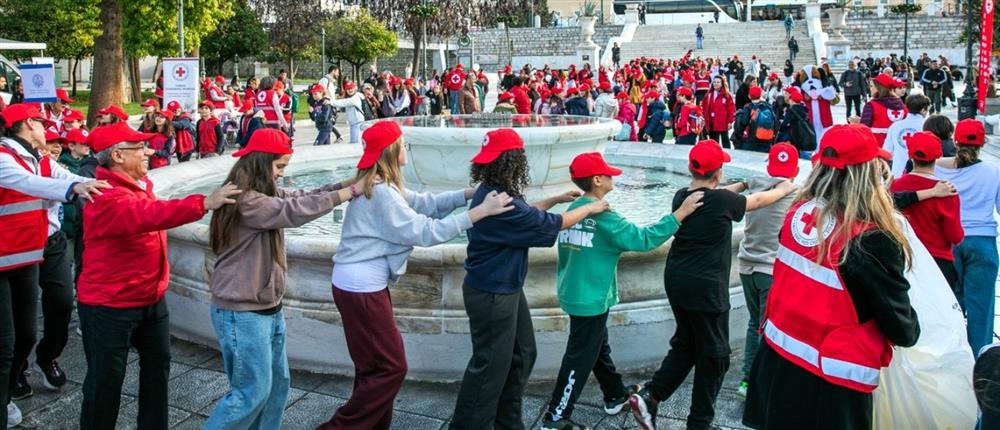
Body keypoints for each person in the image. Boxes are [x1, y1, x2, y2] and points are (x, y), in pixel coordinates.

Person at [316, 122, 514, 430]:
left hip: (359, 284)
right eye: (403, 143)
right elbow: (425, 232)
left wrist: (468, 194)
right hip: (361, 287)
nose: (406, 148)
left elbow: (425, 204)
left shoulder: (382, 183)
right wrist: (479, 212)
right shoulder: (381, 192)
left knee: (373, 369)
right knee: (392, 369)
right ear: (392, 150)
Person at [743, 124, 920, 430]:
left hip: (777, 362)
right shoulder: (872, 240)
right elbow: (904, 330)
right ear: (868, 173)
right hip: (831, 385)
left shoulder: (798, 212)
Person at [76, 122, 241, 430]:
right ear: (118, 156)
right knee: (105, 385)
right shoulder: (105, 196)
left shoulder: (141, 185)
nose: (148, 152)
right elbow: (149, 215)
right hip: (109, 306)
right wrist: (203, 203)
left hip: (150, 299)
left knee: (157, 374)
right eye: (140, 148)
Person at [450, 128, 612, 429]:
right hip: (492, 295)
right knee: (489, 370)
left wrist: (554, 198)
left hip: (503, 289)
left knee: (522, 354)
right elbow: (554, 224)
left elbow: (525, 213)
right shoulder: (496, 198)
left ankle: (508, 424)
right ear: (514, 161)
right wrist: (593, 206)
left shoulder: (494, 192)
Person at [630, 139, 796, 430]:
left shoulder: (683, 196)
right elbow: (757, 202)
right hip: (705, 287)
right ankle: (699, 423)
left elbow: (719, 196)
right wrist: (784, 188)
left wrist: (744, 184)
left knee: (688, 344)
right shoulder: (722, 202)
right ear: (718, 172)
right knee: (715, 356)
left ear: (690, 168)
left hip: (677, 280)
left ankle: (651, 396)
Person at [205, 129, 361, 429]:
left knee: (276, 388)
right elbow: (294, 210)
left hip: (266, 309)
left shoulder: (264, 193)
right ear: (261, 163)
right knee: (250, 394)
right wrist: (351, 192)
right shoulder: (246, 199)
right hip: (242, 314)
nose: (280, 175)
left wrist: (347, 182)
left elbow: (303, 195)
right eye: (278, 167)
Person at [542, 153, 705, 430]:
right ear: (596, 180)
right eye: (607, 174)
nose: (611, 176)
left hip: (576, 292)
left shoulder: (572, 212)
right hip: (591, 298)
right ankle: (555, 417)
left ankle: (614, 394)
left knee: (596, 346)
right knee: (579, 357)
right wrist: (680, 214)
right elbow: (644, 239)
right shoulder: (605, 217)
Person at [0, 105, 110, 428]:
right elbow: (29, 183)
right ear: (28, 124)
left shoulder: (41, 158)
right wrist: (72, 189)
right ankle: (5, 396)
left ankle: (36, 365)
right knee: (6, 343)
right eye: (42, 124)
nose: (48, 130)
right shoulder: (5, 158)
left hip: (29, 253)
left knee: (30, 331)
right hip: (9, 256)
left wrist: (109, 187)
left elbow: (67, 176)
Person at [735, 143, 800, 399]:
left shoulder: (754, 183)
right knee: (771, 328)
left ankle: (746, 381)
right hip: (770, 269)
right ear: (795, 168)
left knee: (754, 324)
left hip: (745, 265)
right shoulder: (796, 192)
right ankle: (764, 383)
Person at [935, 119, 1000, 355]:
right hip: (982, 242)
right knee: (981, 306)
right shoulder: (994, 171)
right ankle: (980, 358)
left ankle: (952, 355)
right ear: (983, 143)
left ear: (955, 140)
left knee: (949, 303)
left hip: (948, 241)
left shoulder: (937, 168)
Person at [889, 131, 963, 295]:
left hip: (903, 260)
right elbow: (955, 236)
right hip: (937, 261)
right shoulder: (946, 191)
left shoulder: (894, 186)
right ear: (938, 156)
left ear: (910, 155)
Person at [59, 129, 98, 282]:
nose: (87, 147)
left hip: (83, 226)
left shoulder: (90, 165)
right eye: (83, 144)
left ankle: (79, 296)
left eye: (88, 144)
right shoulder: (61, 167)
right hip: (67, 227)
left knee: (83, 263)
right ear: (71, 146)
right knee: (66, 264)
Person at [883, 93, 930, 177]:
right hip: (922, 174)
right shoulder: (927, 126)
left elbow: (887, 151)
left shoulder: (895, 126)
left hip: (898, 172)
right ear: (923, 110)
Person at [862, 74, 908, 148]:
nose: (870, 88)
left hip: (877, 149)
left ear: (879, 88)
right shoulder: (904, 107)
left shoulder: (871, 106)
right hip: (898, 149)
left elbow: (863, 129)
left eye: (871, 86)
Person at [733, 86, 777, 153]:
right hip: (766, 140)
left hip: (751, 140)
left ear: (749, 96)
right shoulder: (768, 106)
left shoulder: (748, 107)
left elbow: (744, 122)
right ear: (760, 95)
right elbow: (775, 122)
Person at [778, 86, 816, 159]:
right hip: (806, 139)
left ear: (791, 100)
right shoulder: (804, 109)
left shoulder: (791, 110)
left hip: (798, 139)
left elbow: (784, 124)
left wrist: (780, 128)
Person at [701, 76, 736, 149]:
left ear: (722, 84)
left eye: (718, 82)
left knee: (725, 140)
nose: (716, 84)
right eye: (714, 82)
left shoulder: (727, 95)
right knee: (713, 141)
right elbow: (704, 107)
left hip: (723, 122)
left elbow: (731, 109)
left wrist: (730, 121)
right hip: (711, 122)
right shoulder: (708, 94)